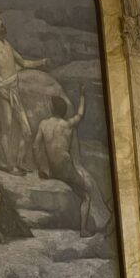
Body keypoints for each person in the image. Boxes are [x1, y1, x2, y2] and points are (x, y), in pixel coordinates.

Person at [0, 6, 48, 175]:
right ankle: (11, 166)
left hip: (14, 89)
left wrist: (42, 62)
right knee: (6, 127)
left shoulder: (7, 45)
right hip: (2, 89)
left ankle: (20, 162)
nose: (1, 23)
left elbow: (23, 63)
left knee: (27, 131)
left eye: (1, 20)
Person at [33, 88, 94, 237]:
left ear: (52, 108)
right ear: (63, 111)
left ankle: (48, 173)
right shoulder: (67, 124)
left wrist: (42, 167)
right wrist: (82, 96)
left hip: (52, 170)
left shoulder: (43, 124)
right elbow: (80, 114)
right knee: (86, 195)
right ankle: (83, 230)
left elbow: (35, 147)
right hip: (66, 169)